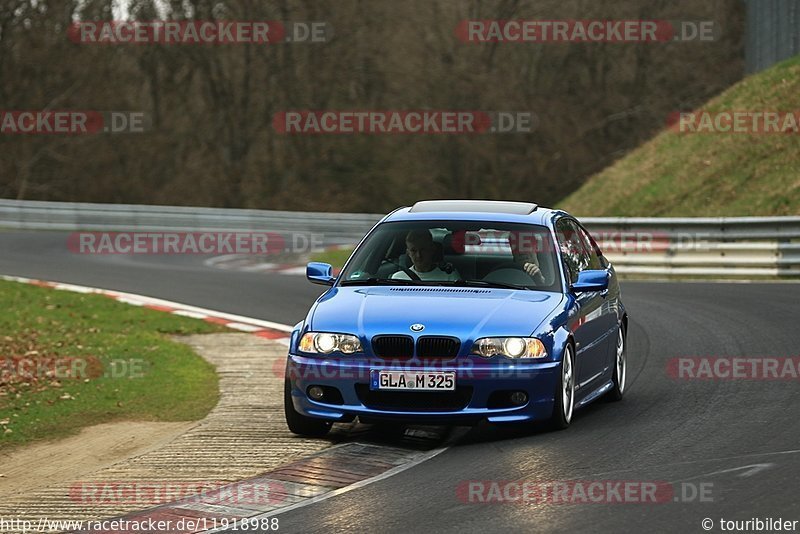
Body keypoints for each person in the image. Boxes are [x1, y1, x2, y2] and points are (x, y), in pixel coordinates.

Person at [391, 229, 460, 281]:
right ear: (408, 253)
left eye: (423, 250)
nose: (418, 255)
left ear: (432, 249)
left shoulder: (449, 276)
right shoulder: (398, 278)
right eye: (413, 251)